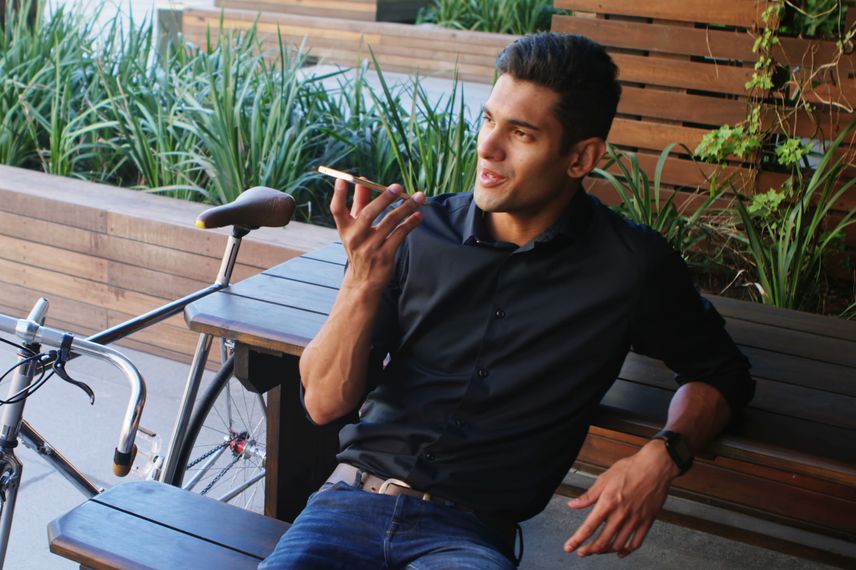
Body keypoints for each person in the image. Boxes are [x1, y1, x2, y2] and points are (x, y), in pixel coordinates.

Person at [259, 32, 754, 569]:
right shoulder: (418, 235)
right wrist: (360, 278)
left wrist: (662, 457)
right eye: (489, 120)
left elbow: (721, 374)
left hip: (466, 539)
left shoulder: (629, 266)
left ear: (580, 158)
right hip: (347, 504)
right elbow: (323, 403)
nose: (488, 148)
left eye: (520, 133)